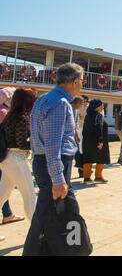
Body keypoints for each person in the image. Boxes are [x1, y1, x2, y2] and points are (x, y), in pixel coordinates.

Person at [24, 63, 84, 255]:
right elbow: (52, 144)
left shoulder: (43, 99)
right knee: (50, 210)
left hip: (45, 161)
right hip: (54, 163)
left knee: (54, 209)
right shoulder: (60, 103)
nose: (81, 85)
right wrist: (57, 178)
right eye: (81, 81)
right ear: (75, 82)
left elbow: (35, 135)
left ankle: (63, 249)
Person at [0, 89, 37, 242]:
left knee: (2, 195)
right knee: (30, 195)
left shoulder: (9, 115)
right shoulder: (21, 117)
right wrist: (36, 144)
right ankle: (38, 232)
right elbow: (22, 143)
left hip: (7, 158)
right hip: (17, 159)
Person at [0, 87, 25, 227]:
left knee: (3, 188)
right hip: (5, 154)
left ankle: (7, 213)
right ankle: (7, 214)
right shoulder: (5, 112)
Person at [82, 100, 110, 184]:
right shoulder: (99, 116)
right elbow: (99, 128)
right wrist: (100, 141)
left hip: (87, 141)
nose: (103, 107)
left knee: (88, 157)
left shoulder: (88, 116)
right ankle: (98, 176)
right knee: (101, 157)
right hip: (98, 141)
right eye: (101, 105)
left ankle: (86, 177)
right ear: (97, 107)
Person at [72, 96, 84, 178]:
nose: (81, 106)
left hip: (74, 135)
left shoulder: (76, 111)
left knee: (78, 154)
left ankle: (81, 171)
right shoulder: (68, 109)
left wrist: (77, 134)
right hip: (67, 137)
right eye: (81, 104)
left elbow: (76, 124)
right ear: (77, 103)